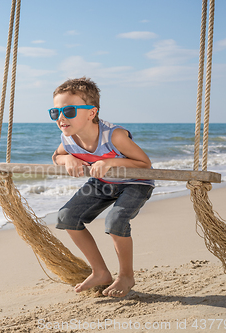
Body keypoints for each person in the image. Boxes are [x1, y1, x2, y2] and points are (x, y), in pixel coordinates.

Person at [50, 77, 154, 297]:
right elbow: (56, 156)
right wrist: (67, 159)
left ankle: (126, 276)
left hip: (135, 183)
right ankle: (100, 272)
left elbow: (145, 165)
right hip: (104, 183)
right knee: (66, 217)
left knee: (115, 221)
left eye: (68, 111)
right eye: (55, 112)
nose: (61, 118)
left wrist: (110, 162)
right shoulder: (68, 138)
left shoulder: (114, 135)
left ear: (91, 112)